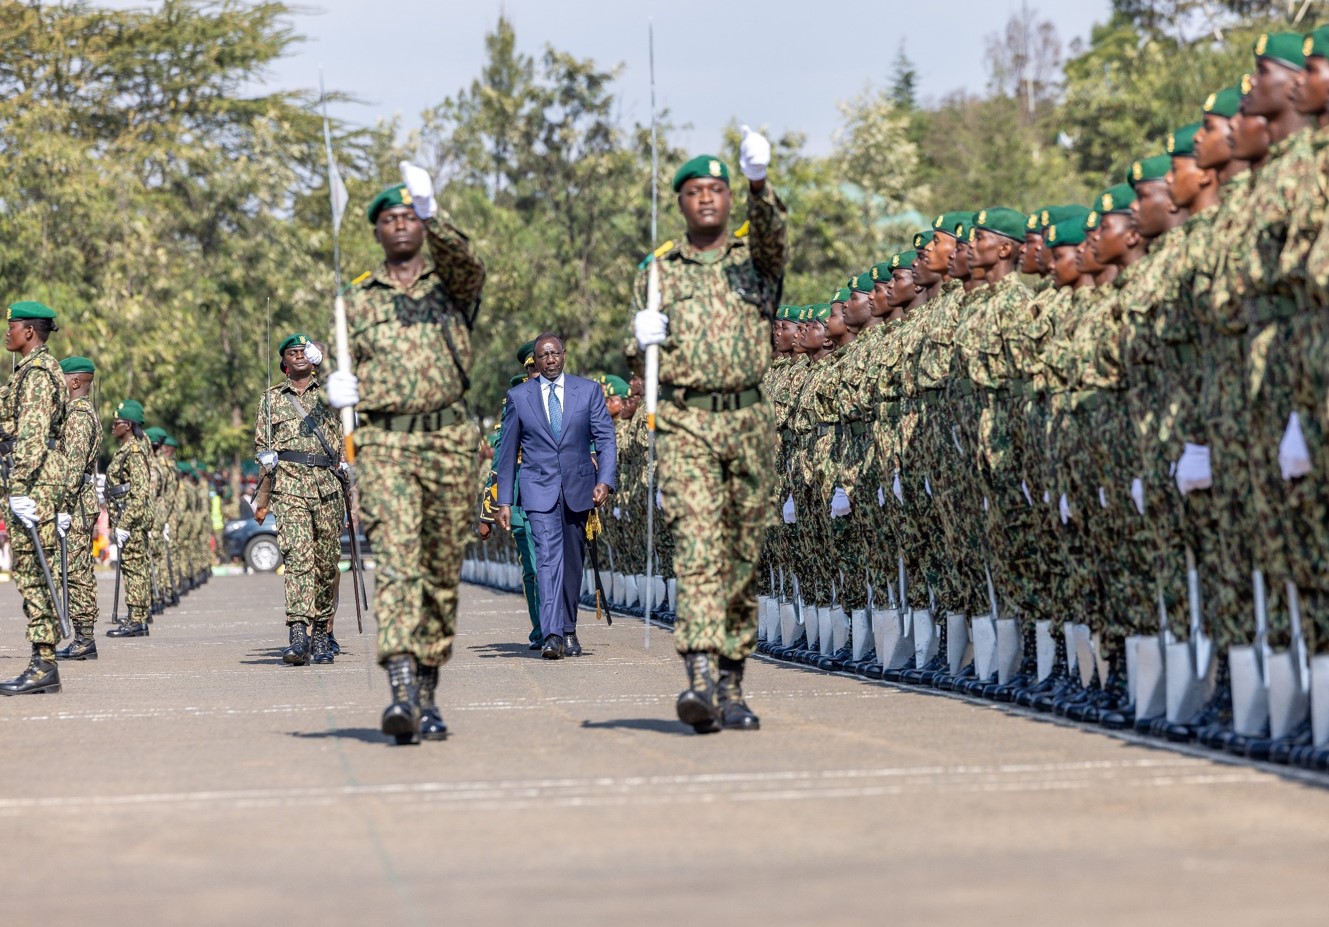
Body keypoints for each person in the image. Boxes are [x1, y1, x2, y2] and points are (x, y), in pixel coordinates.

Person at [632, 126, 786, 733]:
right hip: (687, 420)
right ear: (680, 202)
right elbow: (636, 357)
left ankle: (732, 681)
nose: (705, 200)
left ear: (728, 199)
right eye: (694, 191)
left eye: (716, 190)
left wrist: (759, 182)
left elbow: (774, 232)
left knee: (742, 558)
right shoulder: (658, 272)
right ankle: (698, 676)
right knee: (698, 551)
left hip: (748, 420)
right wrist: (640, 337)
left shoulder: (757, 261)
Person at [326, 161, 485, 744]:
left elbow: (470, 264)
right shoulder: (356, 302)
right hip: (386, 441)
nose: (399, 225)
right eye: (389, 218)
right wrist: (336, 390)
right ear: (376, 232)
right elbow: (346, 369)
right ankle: (398, 686)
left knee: (441, 572)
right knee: (396, 562)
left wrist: (431, 209)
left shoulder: (453, 290)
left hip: (447, 438)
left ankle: (426, 689)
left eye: (407, 217)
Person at [494, 333, 617, 659]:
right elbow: (506, 453)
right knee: (547, 560)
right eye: (543, 355)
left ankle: (568, 628)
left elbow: (605, 438)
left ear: (563, 356)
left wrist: (605, 480)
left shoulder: (587, 391)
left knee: (572, 565)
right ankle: (551, 635)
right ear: (535, 360)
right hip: (538, 492)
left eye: (555, 354)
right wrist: (503, 500)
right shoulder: (519, 397)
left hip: (579, 490)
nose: (549, 360)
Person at [255, 333, 346, 666]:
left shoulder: (330, 394)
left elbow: (349, 393)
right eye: (292, 352)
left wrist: (327, 360)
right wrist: (262, 497)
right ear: (284, 362)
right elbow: (263, 450)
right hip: (290, 486)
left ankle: (321, 634)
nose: (299, 356)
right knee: (297, 562)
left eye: (304, 352)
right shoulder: (270, 400)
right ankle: (297, 635)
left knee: (325, 565)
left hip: (328, 487)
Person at [0, 302, 69, 695]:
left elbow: (32, 433)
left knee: (33, 572)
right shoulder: (25, 373)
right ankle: (42, 662)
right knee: (29, 571)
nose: (6, 334)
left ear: (29, 332)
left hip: (35, 483)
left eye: (11, 328)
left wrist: (22, 487)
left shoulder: (40, 373)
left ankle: (44, 664)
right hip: (32, 481)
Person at [54, 356, 102, 661]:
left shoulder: (78, 416)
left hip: (75, 504)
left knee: (76, 571)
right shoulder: (73, 414)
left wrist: (63, 506)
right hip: (78, 502)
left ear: (74, 382)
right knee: (74, 569)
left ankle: (84, 638)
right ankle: (84, 636)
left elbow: (72, 467)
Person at [104, 400, 153, 639]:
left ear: (129, 425)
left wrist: (124, 523)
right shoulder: (125, 448)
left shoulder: (133, 450)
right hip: (124, 514)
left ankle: (136, 619)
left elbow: (140, 490)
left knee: (134, 569)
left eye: (117, 423)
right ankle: (138, 617)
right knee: (134, 567)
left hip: (130, 517)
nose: (113, 427)